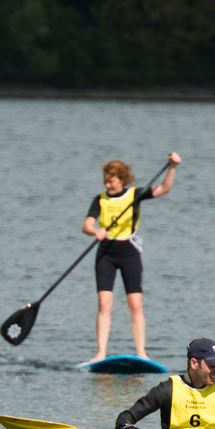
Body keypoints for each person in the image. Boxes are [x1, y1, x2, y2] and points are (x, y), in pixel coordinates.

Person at [82, 152, 181, 363]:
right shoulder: (100, 199)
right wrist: (95, 231)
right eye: (105, 181)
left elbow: (164, 189)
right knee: (104, 303)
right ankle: (100, 353)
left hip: (129, 252)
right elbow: (86, 225)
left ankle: (141, 353)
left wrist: (172, 167)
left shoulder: (135, 194)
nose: (108, 185)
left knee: (135, 304)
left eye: (111, 181)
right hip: (105, 253)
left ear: (121, 179)